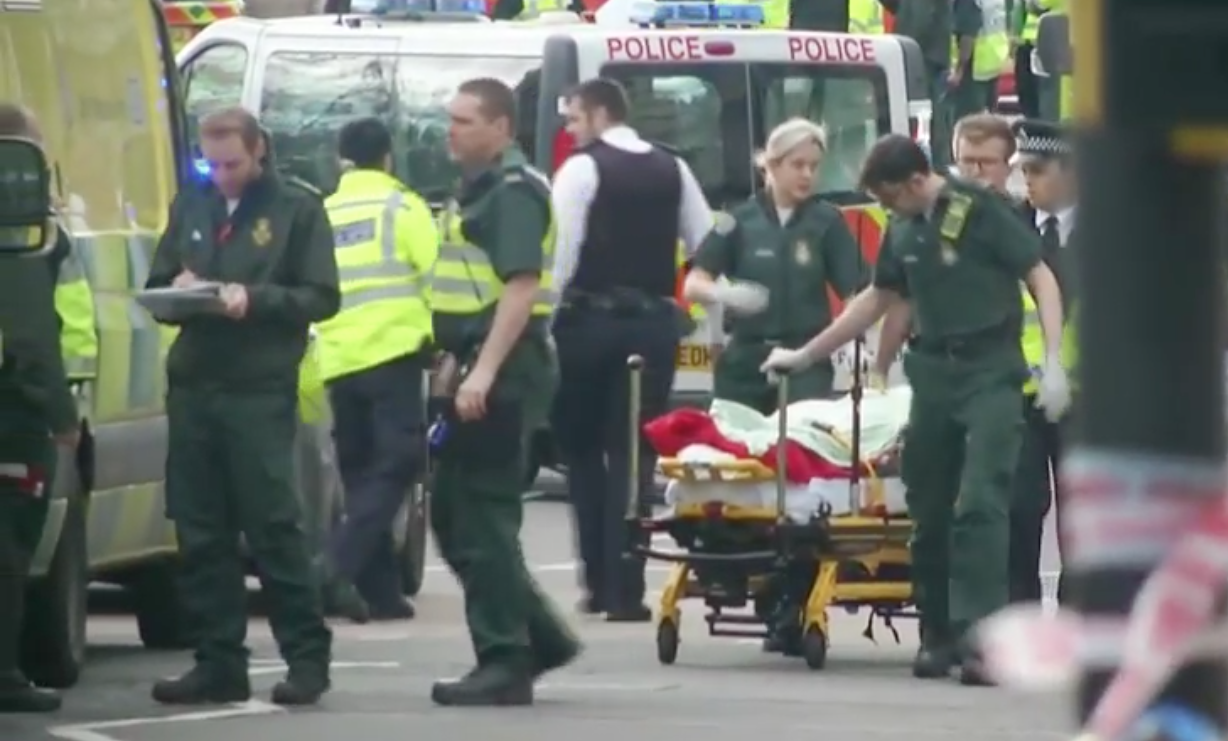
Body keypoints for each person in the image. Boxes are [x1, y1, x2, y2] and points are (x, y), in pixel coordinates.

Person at [761, 134, 1069, 685]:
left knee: (981, 504)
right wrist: (808, 354)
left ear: (915, 182)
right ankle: (938, 635)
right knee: (928, 508)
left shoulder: (981, 212)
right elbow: (879, 299)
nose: (885, 209)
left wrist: (1052, 359)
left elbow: (1039, 276)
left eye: (888, 197)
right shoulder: (904, 228)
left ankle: (982, 639)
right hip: (932, 374)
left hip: (990, 372)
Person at [144, 106, 337, 706]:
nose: (223, 175)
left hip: (257, 388)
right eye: (213, 164)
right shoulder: (193, 203)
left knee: (273, 526)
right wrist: (178, 291)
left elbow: (321, 296)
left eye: (233, 163)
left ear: (259, 152)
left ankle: (306, 658)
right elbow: (159, 279)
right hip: (196, 385)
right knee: (201, 530)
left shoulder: (296, 209)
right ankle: (218, 661)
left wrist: (253, 299)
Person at [686, 117, 863, 653]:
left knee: (800, 481)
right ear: (771, 164)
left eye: (814, 166)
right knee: (735, 472)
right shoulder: (736, 222)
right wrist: (722, 296)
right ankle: (742, 579)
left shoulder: (827, 223)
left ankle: (793, 603)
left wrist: (854, 342)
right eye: (797, 165)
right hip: (746, 360)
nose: (807, 175)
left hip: (804, 358)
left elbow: (857, 291)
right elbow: (695, 280)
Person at [430, 77, 579, 706]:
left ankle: (505, 659)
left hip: (504, 368)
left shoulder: (513, 193)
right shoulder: (480, 189)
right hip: (475, 362)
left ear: (500, 128)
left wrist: (484, 372)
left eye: (465, 121)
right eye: (451, 119)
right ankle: (540, 636)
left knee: (482, 519)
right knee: (453, 515)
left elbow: (520, 288)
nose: (451, 130)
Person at [550, 77, 712, 623]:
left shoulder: (581, 169)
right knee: (633, 454)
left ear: (599, 115)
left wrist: (543, 324)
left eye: (574, 118)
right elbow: (704, 241)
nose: (570, 130)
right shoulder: (673, 168)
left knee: (580, 452)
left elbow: (560, 256)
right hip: (652, 328)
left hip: (587, 326)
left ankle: (597, 581)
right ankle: (627, 587)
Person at [312, 117, 438, 623]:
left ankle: (382, 593)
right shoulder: (401, 207)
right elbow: (436, 277)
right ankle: (334, 566)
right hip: (394, 354)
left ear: (340, 160)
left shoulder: (322, 213)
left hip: (338, 360)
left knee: (363, 475)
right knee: (399, 464)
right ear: (388, 157)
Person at [0, 103, 79, 714]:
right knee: (8, 542)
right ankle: (3, 674)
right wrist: (62, 416)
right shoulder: (25, 233)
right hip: (14, 410)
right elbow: (33, 334)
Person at [873, 113, 1018, 377]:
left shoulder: (1027, 220)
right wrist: (879, 369)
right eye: (967, 161)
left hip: (1009, 364)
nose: (975, 172)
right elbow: (901, 299)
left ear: (1008, 167)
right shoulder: (931, 221)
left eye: (987, 162)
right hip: (947, 367)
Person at [1008, 118, 1077, 606]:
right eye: (1023, 170)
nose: (1027, 181)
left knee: (1081, 513)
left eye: (1037, 170)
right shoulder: (1009, 227)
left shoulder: (1112, 228)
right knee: (1020, 508)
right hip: (1023, 393)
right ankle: (1022, 615)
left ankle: (1079, 615)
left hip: (1089, 397)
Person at [877, 0, 952, 167]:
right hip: (925, 53)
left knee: (925, 115)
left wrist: (906, 48)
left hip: (923, 55)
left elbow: (921, 17)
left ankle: (933, 165)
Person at [948, 0, 1010, 132]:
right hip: (992, 58)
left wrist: (959, 70)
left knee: (969, 124)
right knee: (988, 121)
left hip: (973, 65)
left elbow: (968, 35)